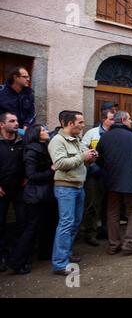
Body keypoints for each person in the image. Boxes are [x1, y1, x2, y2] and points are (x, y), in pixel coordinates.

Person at [48, 111, 97, 275]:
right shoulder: (57, 141)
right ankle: (60, 264)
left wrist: (90, 157)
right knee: (66, 223)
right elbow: (60, 163)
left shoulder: (76, 140)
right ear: (69, 123)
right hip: (65, 187)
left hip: (78, 186)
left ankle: (66, 254)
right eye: (81, 122)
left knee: (75, 223)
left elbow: (80, 160)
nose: (83, 125)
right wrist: (83, 157)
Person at [96, 111, 132, 255]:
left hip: (111, 182)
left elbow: (99, 160)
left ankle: (114, 244)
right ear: (124, 119)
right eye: (130, 119)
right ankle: (129, 243)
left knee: (112, 212)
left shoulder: (105, 137)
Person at [8, 124, 56, 274]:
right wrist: (51, 171)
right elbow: (32, 175)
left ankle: (45, 253)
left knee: (47, 225)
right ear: (36, 134)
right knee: (31, 228)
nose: (46, 131)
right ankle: (17, 262)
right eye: (43, 130)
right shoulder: (32, 151)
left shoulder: (45, 146)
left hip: (46, 194)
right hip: (36, 195)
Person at [80, 109, 115, 246]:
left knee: (109, 204)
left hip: (110, 175)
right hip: (94, 175)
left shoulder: (114, 134)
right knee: (93, 204)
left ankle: (105, 230)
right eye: (111, 119)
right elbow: (82, 148)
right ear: (103, 120)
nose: (113, 121)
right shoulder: (92, 133)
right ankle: (90, 234)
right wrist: (92, 165)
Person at [0, 113, 25, 273]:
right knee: (0, 223)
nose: (16, 123)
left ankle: (17, 256)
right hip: (1, 191)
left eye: (17, 121)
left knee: (22, 221)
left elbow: (28, 160)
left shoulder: (22, 141)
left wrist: (27, 177)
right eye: (12, 121)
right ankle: (2, 256)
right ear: (2, 124)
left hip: (20, 189)